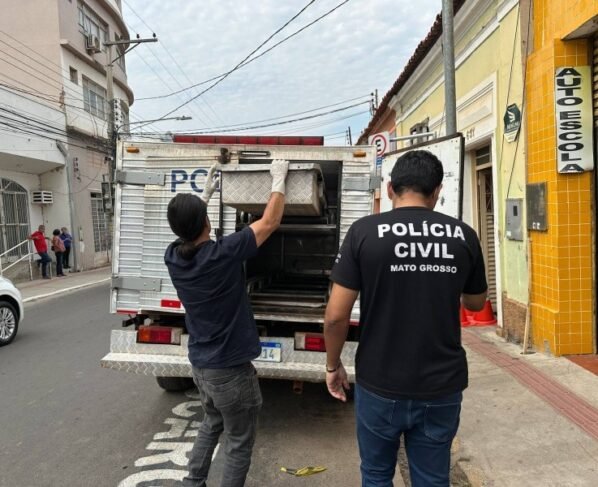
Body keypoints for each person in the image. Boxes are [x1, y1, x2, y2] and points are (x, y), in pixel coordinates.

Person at [324, 150, 488, 487]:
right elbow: (475, 303)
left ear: (390, 189)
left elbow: (336, 317)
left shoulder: (364, 232)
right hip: (441, 384)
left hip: (379, 380)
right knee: (432, 478)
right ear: (437, 191)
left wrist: (332, 365)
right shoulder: (464, 235)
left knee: (376, 475)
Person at [164, 160, 289, 487]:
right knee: (239, 441)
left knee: (211, 422)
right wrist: (279, 179)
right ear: (205, 222)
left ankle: (193, 482)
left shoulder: (173, 257)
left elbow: (191, 232)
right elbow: (270, 221)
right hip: (230, 370)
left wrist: (204, 197)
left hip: (202, 367)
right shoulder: (222, 254)